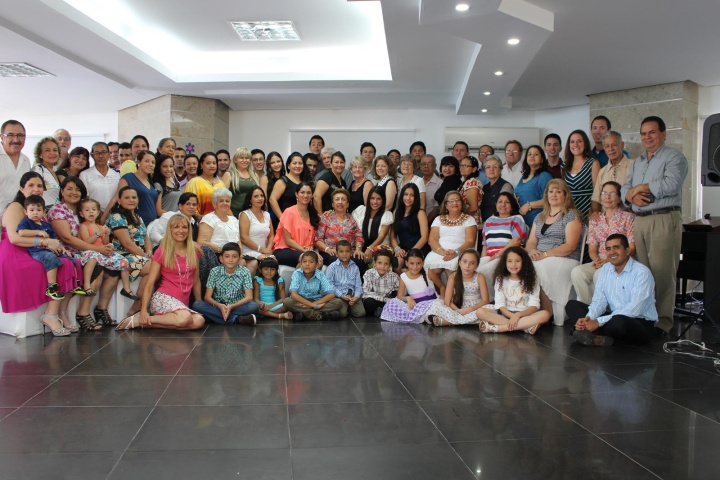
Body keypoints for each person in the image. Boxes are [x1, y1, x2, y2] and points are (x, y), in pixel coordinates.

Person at [621, 115, 688, 334]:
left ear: (663, 134)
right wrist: (631, 195)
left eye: (652, 132)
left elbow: (670, 184)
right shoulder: (638, 161)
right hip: (639, 221)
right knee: (644, 274)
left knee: (662, 272)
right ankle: (647, 317)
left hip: (663, 219)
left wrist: (640, 188)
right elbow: (625, 188)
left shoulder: (674, 157)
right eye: (643, 133)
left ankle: (663, 322)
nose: (647, 137)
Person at [0, 173, 79, 335]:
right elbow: (15, 238)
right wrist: (44, 242)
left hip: (35, 250)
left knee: (73, 262)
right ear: (22, 189)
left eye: (39, 186)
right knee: (57, 264)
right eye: (31, 185)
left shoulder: (39, 209)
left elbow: (48, 235)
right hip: (15, 252)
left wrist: (57, 246)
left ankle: (59, 312)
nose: (36, 189)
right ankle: (50, 315)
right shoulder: (16, 207)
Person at [116, 214, 205, 331]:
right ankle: (141, 318)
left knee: (199, 321)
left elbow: (196, 279)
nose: (181, 231)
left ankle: (144, 322)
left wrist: (198, 304)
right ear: (170, 230)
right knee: (184, 318)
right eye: (176, 227)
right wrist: (143, 310)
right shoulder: (161, 251)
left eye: (184, 227)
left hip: (181, 301)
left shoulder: (195, 249)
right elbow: (150, 283)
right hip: (163, 297)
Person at [566, 234, 657, 346]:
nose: (612, 252)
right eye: (608, 249)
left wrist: (598, 322)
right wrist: (588, 319)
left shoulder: (642, 273)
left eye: (616, 247)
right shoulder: (606, 269)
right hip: (613, 317)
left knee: (619, 322)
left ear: (627, 250)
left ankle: (584, 333)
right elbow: (599, 302)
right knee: (572, 305)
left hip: (638, 321)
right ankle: (597, 336)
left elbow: (634, 310)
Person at [49, 177, 115, 330]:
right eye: (70, 188)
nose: (74, 192)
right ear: (62, 191)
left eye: (78, 189)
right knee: (95, 266)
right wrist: (97, 249)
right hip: (66, 252)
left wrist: (105, 245)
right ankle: (76, 313)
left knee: (111, 269)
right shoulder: (58, 210)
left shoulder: (81, 211)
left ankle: (90, 311)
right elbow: (67, 238)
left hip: (82, 252)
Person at [525, 179, 583, 324]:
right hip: (540, 257)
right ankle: (524, 310)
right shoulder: (540, 217)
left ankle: (547, 314)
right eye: (551, 191)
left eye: (558, 191)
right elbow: (531, 241)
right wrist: (532, 251)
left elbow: (570, 245)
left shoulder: (571, 215)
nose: (554, 195)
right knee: (519, 265)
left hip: (565, 258)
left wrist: (545, 254)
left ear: (565, 195)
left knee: (539, 268)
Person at [571, 180, 635, 304]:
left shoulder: (627, 217)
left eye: (612, 193)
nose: (607, 196)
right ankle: (588, 308)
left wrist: (609, 261)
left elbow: (632, 248)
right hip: (601, 261)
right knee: (577, 272)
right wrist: (597, 260)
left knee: (599, 274)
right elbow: (592, 249)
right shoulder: (596, 219)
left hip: (619, 262)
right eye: (604, 193)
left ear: (619, 198)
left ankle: (602, 309)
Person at [478, 246, 551, 334]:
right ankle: (524, 328)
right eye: (510, 261)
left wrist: (518, 315)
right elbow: (500, 304)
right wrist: (512, 316)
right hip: (505, 314)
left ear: (523, 262)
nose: (513, 265)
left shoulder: (532, 279)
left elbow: (534, 305)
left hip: (525, 314)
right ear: (505, 263)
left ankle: (500, 328)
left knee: (545, 314)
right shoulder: (500, 279)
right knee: (480, 312)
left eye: (517, 261)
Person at [17, 195, 77, 301]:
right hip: (37, 251)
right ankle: (51, 287)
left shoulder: (47, 225)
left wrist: (62, 248)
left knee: (71, 258)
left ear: (44, 211)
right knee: (50, 258)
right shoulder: (26, 222)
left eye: (38, 210)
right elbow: (21, 232)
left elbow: (55, 240)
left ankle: (75, 283)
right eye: (32, 210)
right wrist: (38, 232)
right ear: (25, 211)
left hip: (50, 249)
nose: (35, 212)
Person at [106, 186, 153, 317]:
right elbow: (127, 244)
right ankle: (138, 306)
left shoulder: (138, 217)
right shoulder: (117, 217)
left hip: (139, 255)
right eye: (127, 197)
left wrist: (148, 250)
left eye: (134, 197)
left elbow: (146, 237)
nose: (131, 200)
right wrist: (146, 256)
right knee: (154, 267)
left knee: (154, 271)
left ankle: (139, 306)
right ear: (119, 201)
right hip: (122, 256)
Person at [77, 198, 135, 301]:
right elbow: (86, 242)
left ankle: (126, 288)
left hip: (101, 252)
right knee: (93, 258)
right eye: (87, 210)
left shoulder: (100, 226)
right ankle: (86, 285)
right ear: (81, 214)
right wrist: (98, 233)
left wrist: (107, 238)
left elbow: (105, 243)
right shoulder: (83, 226)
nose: (91, 212)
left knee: (123, 260)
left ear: (98, 212)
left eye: (93, 209)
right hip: (89, 251)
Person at [191, 242, 258, 325]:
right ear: (221, 259)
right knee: (197, 305)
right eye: (227, 256)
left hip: (237, 306)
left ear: (239, 259)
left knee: (253, 306)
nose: (230, 259)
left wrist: (231, 306)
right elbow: (207, 297)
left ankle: (216, 318)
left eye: (234, 256)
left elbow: (249, 297)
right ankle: (236, 319)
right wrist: (219, 306)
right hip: (218, 306)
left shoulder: (245, 272)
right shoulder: (215, 271)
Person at [425, 191, 477, 296]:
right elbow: (432, 240)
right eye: (451, 201)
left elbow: (470, 241)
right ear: (446, 205)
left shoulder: (469, 219)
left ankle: (455, 298)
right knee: (431, 268)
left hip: (461, 251)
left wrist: (456, 252)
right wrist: (443, 252)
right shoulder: (438, 219)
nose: (455, 203)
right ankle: (440, 296)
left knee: (451, 267)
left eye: (457, 200)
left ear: (462, 203)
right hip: (440, 251)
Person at [476, 192, 528, 298]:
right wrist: (482, 260)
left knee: (484, 272)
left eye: (507, 202)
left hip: (507, 256)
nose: (503, 205)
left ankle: (490, 301)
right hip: (489, 257)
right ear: (495, 204)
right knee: (473, 271)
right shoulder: (489, 221)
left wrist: (497, 255)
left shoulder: (517, 219)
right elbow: (485, 246)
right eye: (500, 202)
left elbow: (516, 242)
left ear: (512, 205)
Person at [425, 249, 489, 326]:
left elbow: (485, 301)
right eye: (464, 262)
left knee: (488, 310)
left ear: (476, 266)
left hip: (475, 308)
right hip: (458, 308)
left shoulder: (480, 277)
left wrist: (469, 310)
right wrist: (458, 311)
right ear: (459, 262)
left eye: (472, 263)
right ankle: (464, 320)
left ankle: (448, 321)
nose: (467, 266)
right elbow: (447, 301)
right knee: (437, 305)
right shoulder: (453, 277)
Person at [283, 250, 346, 320]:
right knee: (287, 302)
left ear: (316, 265)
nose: (307, 264)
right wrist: (313, 306)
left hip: (316, 300)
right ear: (301, 263)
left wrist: (313, 304)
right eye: (304, 262)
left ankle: (305, 313)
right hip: (301, 301)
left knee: (338, 302)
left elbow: (331, 294)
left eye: (311, 262)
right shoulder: (297, 273)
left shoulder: (320, 274)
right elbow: (294, 294)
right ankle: (318, 314)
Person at [380, 249, 437, 324]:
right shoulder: (403, 277)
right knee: (392, 303)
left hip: (431, 303)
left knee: (436, 307)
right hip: (416, 306)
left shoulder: (428, 272)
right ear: (406, 263)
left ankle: (429, 317)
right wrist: (407, 298)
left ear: (423, 263)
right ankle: (425, 317)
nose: (415, 267)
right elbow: (399, 296)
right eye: (412, 263)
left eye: (418, 263)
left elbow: (442, 287)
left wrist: (442, 300)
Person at [314, 189, 365, 272]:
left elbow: (359, 236)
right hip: (331, 252)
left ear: (347, 204)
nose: (340, 202)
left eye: (343, 199)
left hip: (349, 252)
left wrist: (358, 249)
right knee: (336, 261)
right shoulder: (326, 218)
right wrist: (328, 249)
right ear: (333, 204)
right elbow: (318, 239)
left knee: (361, 260)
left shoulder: (352, 219)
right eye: (337, 199)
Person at [108, 150, 161, 227]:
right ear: (139, 162)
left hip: (151, 226)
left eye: (153, 162)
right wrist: (103, 219)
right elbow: (116, 198)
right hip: (133, 225)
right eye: (147, 161)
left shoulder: (151, 183)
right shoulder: (128, 178)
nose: (150, 164)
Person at [273, 182, 319, 267]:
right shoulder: (289, 212)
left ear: (312, 195)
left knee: (319, 261)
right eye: (302, 192)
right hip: (285, 249)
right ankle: (296, 280)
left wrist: (310, 247)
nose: (305, 195)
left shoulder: (313, 214)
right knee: (306, 260)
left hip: (304, 251)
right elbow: (288, 241)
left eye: (309, 193)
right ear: (296, 194)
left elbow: (313, 238)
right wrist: (305, 250)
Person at [590, 131, 634, 214]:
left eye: (614, 145)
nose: (611, 149)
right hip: (608, 221)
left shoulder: (634, 166)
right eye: (607, 146)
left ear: (622, 145)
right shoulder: (602, 171)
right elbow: (596, 199)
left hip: (629, 219)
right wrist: (596, 213)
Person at [390, 183, 429, 273]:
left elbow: (424, 237)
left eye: (412, 195)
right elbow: (392, 236)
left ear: (416, 198)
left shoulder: (420, 213)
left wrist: (411, 252)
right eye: (406, 194)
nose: (408, 198)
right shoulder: (396, 212)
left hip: (418, 248)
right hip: (402, 249)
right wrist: (397, 249)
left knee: (406, 269)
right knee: (396, 264)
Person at [563, 130, 599, 219]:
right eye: (572, 142)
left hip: (589, 212)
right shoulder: (564, 165)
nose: (575, 144)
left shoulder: (593, 163)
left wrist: (595, 211)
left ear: (585, 144)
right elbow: (563, 191)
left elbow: (597, 190)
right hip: (569, 213)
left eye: (579, 141)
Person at [239, 185, 274, 277]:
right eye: (256, 196)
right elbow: (243, 238)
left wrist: (268, 249)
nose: (260, 198)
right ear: (250, 199)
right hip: (249, 250)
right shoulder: (245, 214)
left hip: (264, 251)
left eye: (262, 196)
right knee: (259, 263)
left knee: (273, 262)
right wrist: (261, 249)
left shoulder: (267, 214)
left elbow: (271, 236)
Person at [325, 239, 366, 318]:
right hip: (339, 295)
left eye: (347, 251)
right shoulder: (332, 267)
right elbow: (330, 285)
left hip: (352, 294)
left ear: (351, 253)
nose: (344, 254)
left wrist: (356, 297)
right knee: (342, 314)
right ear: (336, 254)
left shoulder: (355, 267)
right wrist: (341, 295)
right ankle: (345, 309)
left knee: (361, 313)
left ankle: (349, 308)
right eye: (341, 251)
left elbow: (358, 285)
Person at [352, 186, 393, 263]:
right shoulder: (361, 210)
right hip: (361, 246)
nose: (375, 202)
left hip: (381, 249)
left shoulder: (387, 215)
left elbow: (382, 236)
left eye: (378, 199)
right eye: (372, 198)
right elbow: (349, 221)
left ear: (383, 200)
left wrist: (370, 248)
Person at [0, 120, 32, 219]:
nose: (15, 139)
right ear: (1, 137)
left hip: (18, 218)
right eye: (10, 135)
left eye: (20, 135)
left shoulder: (26, 160)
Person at [515, 145, 553, 225]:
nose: (532, 156)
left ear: (542, 159)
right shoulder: (523, 177)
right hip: (522, 223)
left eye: (536, 154)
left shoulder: (544, 176)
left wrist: (529, 205)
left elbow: (551, 200)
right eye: (529, 154)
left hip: (538, 222)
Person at [269, 152, 306, 229]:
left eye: (300, 163)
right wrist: (282, 219)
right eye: (294, 163)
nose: (297, 166)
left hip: (302, 221)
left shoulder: (304, 182)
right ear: (289, 166)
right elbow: (272, 200)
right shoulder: (283, 181)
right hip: (287, 223)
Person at [80, 142, 120, 211]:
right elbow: (84, 199)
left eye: (103, 152)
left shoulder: (116, 175)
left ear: (108, 154)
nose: (100, 156)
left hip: (115, 217)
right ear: (92, 155)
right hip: (94, 216)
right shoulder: (85, 175)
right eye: (97, 153)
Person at [362, 247, 400, 318]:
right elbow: (365, 293)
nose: (382, 266)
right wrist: (383, 299)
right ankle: (380, 311)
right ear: (375, 263)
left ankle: (381, 311)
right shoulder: (369, 274)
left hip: (387, 301)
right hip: (375, 300)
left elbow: (398, 293)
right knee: (368, 303)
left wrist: (392, 299)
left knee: (396, 303)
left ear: (389, 265)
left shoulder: (394, 277)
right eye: (379, 263)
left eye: (386, 264)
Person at [184, 152, 225, 216]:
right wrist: (200, 218)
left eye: (214, 163)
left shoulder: (221, 184)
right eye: (208, 163)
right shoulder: (193, 182)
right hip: (200, 221)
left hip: (220, 222)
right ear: (201, 165)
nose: (212, 166)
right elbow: (186, 205)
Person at [479, 155, 514, 222]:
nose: (491, 169)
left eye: (495, 167)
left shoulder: (506, 186)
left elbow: (502, 209)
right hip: (485, 225)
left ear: (500, 170)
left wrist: (485, 224)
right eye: (488, 167)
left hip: (498, 224)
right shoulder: (484, 187)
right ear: (485, 171)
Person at [32, 136, 62, 210]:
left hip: (55, 211)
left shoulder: (55, 171)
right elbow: (33, 193)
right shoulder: (38, 169)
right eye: (47, 150)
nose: (52, 153)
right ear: (40, 154)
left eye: (55, 150)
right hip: (43, 211)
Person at [314, 151, 348, 215]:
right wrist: (320, 216)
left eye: (342, 162)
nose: (339, 165)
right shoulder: (327, 177)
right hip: (326, 218)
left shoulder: (343, 182)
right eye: (336, 162)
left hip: (337, 219)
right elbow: (316, 197)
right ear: (331, 164)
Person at [458, 156, 483, 228]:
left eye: (465, 166)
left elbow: (473, 207)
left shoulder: (472, 182)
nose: (462, 168)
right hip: (466, 221)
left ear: (474, 169)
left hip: (470, 222)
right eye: (461, 165)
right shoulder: (466, 181)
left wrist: (458, 216)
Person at [420, 154, 442, 220]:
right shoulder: (417, 181)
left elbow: (438, 207)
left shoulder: (440, 183)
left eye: (429, 164)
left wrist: (426, 221)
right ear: (420, 166)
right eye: (424, 164)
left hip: (433, 221)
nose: (426, 166)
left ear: (435, 166)